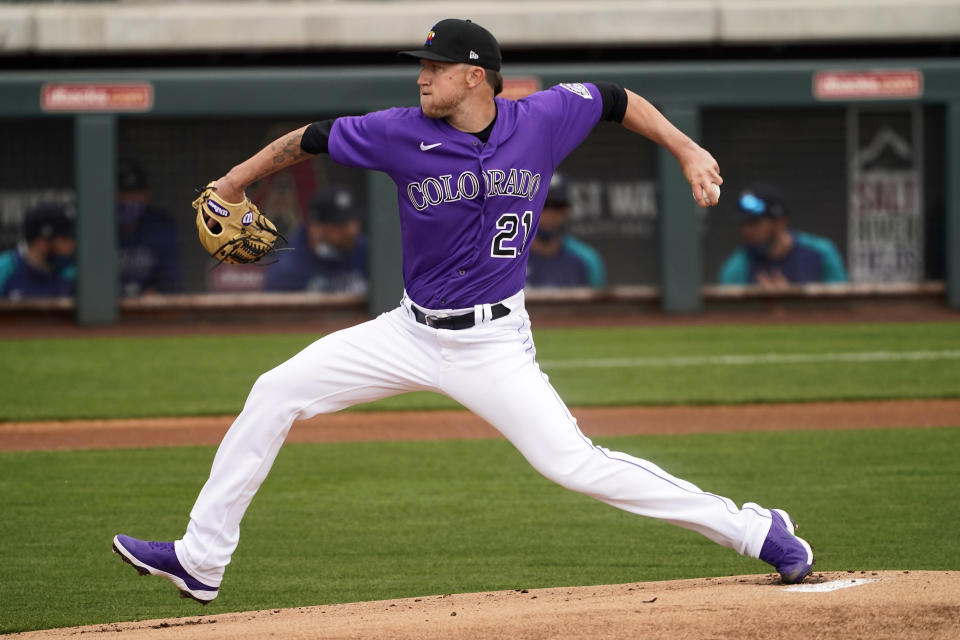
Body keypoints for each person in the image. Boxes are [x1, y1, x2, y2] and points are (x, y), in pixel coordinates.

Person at [112, 18, 814, 603]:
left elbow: (617, 98)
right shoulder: (395, 130)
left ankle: (755, 530)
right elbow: (311, 138)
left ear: (475, 75)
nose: (422, 76)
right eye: (422, 65)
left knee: (573, 464)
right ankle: (200, 560)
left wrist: (689, 150)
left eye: (437, 66)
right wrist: (232, 184)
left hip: (493, 344)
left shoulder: (542, 119)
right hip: (406, 331)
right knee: (275, 392)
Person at [718, 183, 848, 288]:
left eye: (754, 223)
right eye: (743, 224)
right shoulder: (736, 267)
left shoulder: (822, 253)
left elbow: (846, 311)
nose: (746, 231)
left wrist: (791, 302)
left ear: (780, 222)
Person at [264, 184, 368, 293]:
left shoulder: (366, 252)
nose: (352, 231)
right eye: (340, 224)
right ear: (315, 227)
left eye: (355, 222)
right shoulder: (287, 270)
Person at [526, 172, 605, 288]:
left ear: (568, 210)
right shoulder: (506, 260)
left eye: (558, 206)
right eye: (544, 205)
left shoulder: (586, 260)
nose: (551, 214)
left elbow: (599, 306)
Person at [115, 160, 182, 296]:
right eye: (124, 194)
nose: (130, 200)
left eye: (136, 194)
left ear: (147, 195)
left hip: (149, 310)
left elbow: (172, 281)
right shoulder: (98, 227)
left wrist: (157, 292)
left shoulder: (161, 226)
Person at [0, 202, 76, 299]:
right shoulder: (4, 270)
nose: (73, 244)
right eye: (66, 239)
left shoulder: (71, 272)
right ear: (42, 241)